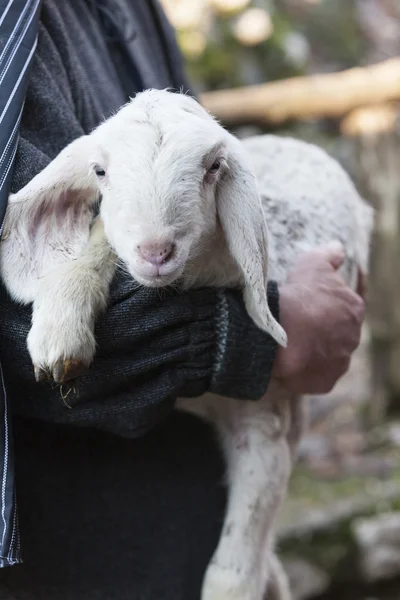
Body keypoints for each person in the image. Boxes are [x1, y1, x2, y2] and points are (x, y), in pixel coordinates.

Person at [0, 1, 365, 599]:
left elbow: (196, 166)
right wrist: (261, 334)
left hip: (191, 507)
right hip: (69, 541)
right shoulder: (14, 24)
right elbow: (19, 318)